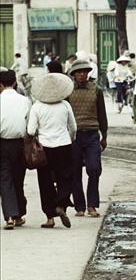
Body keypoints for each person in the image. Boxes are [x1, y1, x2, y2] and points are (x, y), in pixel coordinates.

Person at [27, 71, 77, 228]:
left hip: (44, 149)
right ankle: (61, 204)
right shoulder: (65, 105)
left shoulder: (37, 107)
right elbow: (73, 127)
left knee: (45, 182)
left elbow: (30, 131)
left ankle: (50, 218)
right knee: (66, 177)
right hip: (63, 145)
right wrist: (70, 139)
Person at [66, 59, 107, 218]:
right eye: (79, 72)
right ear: (74, 74)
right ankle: (79, 207)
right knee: (75, 171)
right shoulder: (68, 91)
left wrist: (105, 134)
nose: (82, 74)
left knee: (94, 168)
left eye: (85, 71)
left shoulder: (97, 90)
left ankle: (92, 205)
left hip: (92, 134)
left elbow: (101, 113)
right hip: (74, 135)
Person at [0, 69, 31, 228]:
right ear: (14, 83)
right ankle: (18, 215)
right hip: (20, 144)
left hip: (2, 144)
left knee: (5, 179)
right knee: (19, 179)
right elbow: (30, 123)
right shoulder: (24, 100)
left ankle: (9, 217)